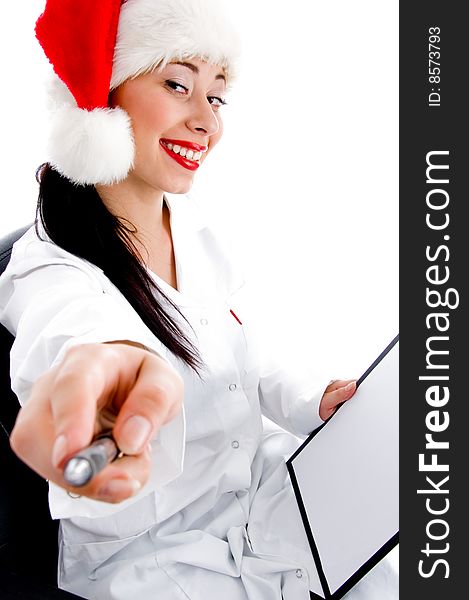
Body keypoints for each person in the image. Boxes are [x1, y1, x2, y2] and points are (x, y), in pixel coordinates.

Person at [0, 0, 398, 598]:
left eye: (216, 97)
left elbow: (244, 355)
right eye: (177, 84)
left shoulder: (190, 228)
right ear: (102, 100)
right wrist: (100, 380)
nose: (206, 122)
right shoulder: (51, 268)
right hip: (160, 558)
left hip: (264, 501)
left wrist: (311, 402)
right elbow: (74, 338)